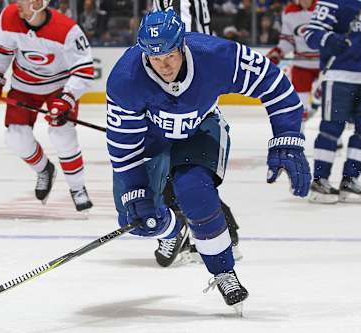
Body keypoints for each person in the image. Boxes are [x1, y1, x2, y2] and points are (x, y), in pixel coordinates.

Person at [106, 9, 310, 310]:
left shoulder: (214, 55)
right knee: (137, 219)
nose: (163, 65)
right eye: (154, 57)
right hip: (150, 139)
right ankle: (172, 230)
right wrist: (136, 189)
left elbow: (274, 84)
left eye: (170, 56)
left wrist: (288, 138)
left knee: (194, 191)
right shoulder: (126, 78)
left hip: (199, 128)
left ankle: (224, 271)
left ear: (183, 45)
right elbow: (124, 148)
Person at [0, 0, 94, 211]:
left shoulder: (68, 30)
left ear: (38, 3)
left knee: (62, 134)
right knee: (15, 138)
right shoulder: (8, 17)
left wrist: (66, 99)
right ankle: (44, 170)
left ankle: (77, 188)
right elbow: (3, 51)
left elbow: (84, 71)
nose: (16, 4)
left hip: (59, 87)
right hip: (24, 86)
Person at [152, 0, 242, 268]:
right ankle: (194, 230)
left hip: (186, 95)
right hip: (187, 92)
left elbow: (182, 44)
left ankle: (214, 233)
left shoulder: (180, 4)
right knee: (174, 169)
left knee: (182, 169)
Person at [304, 0, 361, 204]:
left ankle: (350, 180)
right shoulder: (333, 1)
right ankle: (320, 181)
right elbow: (310, 33)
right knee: (331, 129)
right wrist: (331, 39)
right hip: (340, 76)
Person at [266, 0, 320, 122]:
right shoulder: (289, 12)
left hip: (324, 65)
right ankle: (298, 137)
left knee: (331, 106)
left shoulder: (323, 8)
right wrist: (278, 52)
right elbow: (287, 41)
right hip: (302, 65)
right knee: (299, 107)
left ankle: (334, 139)